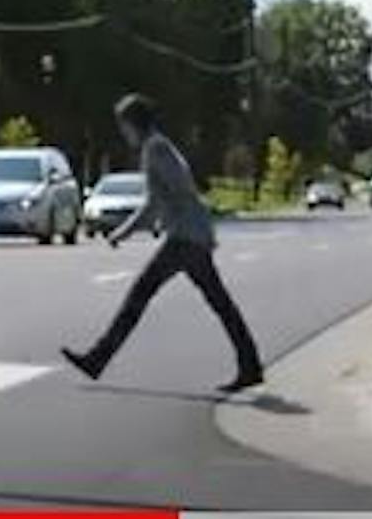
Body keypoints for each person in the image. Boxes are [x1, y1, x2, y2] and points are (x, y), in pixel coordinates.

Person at [61, 92, 264, 394]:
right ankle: (251, 365)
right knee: (219, 302)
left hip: (186, 237)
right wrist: (136, 227)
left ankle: (97, 359)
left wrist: (125, 231)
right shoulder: (159, 146)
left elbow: (163, 198)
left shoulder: (155, 149)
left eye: (124, 127)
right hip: (191, 235)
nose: (124, 134)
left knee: (139, 297)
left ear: (134, 124)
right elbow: (162, 199)